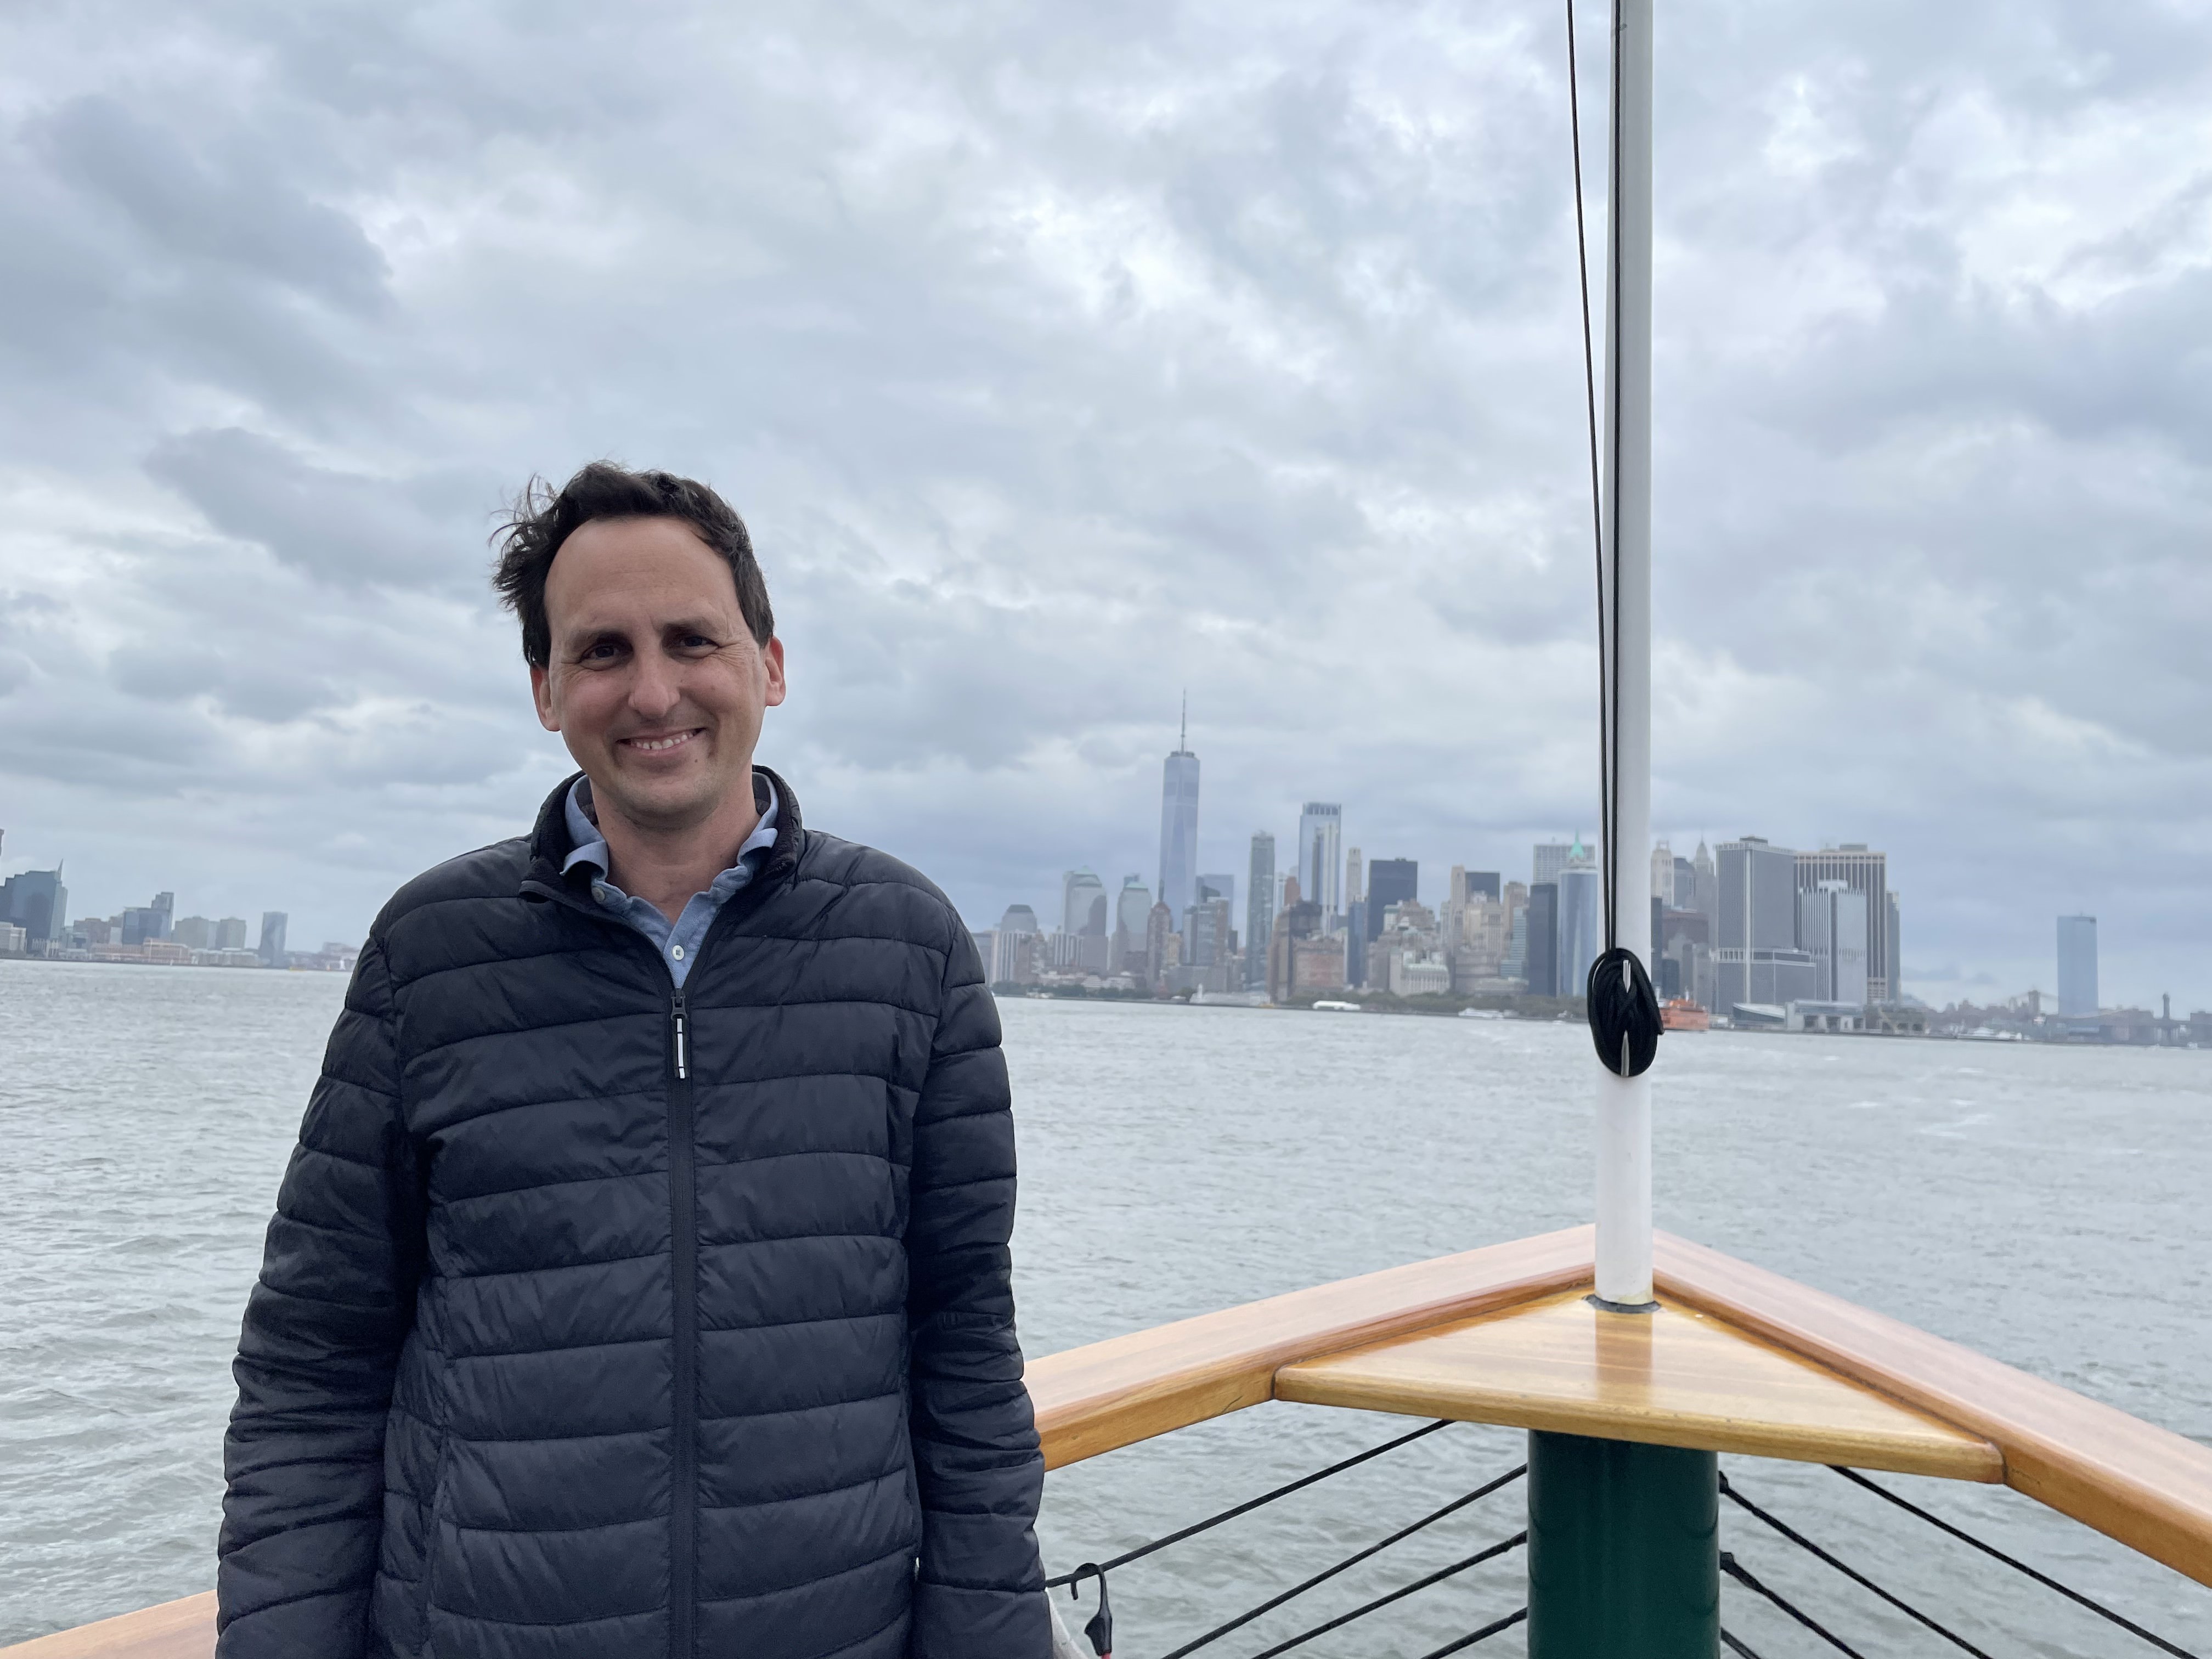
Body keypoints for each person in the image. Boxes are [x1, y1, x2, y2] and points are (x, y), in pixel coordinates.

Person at [216, 462, 1049, 1658]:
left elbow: (965, 1346)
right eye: (603, 651)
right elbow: (313, 1363)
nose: (654, 691)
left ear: (770, 665)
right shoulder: (429, 954)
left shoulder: (909, 948)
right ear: (547, 690)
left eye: (692, 640)